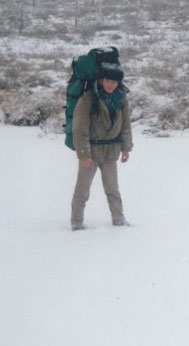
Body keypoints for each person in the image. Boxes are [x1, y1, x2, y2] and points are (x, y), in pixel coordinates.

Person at [70, 62, 133, 231]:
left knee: (113, 189)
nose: (110, 84)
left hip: (111, 151)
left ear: (118, 83)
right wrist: (84, 154)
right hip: (91, 151)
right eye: (107, 80)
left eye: (113, 81)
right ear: (101, 80)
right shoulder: (88, 99)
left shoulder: (121, 99)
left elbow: (126, 125)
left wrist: (126, 148)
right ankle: (76, 222)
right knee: (82, 190)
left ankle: (119, 220)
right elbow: (79, 128)